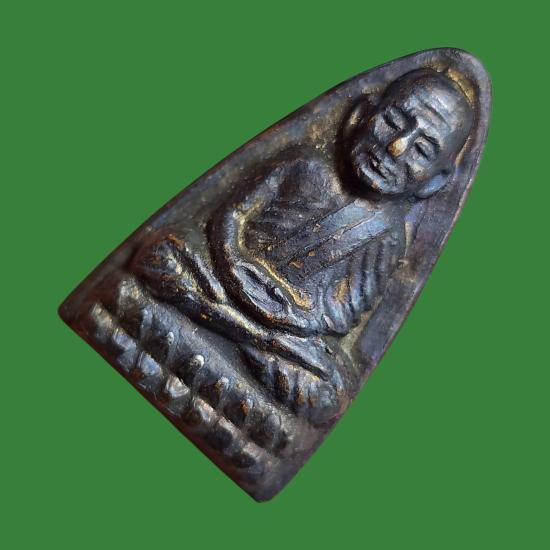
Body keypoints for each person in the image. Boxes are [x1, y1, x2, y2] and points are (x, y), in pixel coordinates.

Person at [130, 68, 474, 423]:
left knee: (328, 394)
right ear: (360, 114)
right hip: (221, 278)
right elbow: (233, 214)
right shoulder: (304, 164)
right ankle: (242, 331)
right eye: (393, 122)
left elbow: (343, 313)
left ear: (434, 182)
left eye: (421, 149)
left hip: (284, 329)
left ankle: (233, 328)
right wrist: (232, 260)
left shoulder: (388, 237)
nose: (396, 147)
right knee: (161, 255)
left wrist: (293, 314)